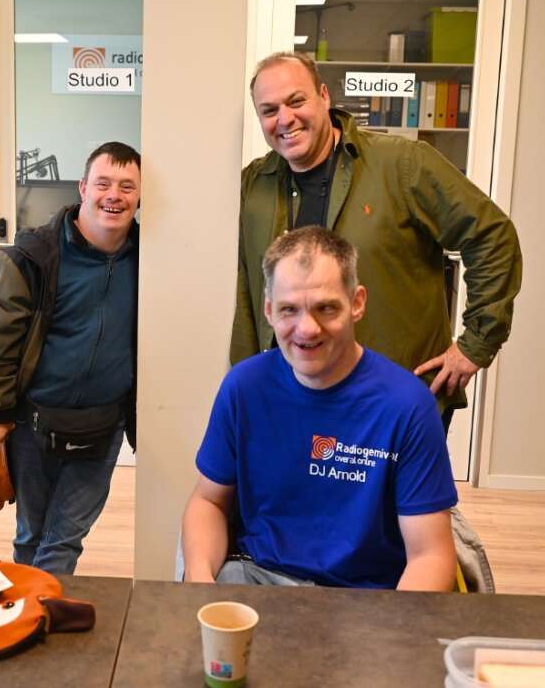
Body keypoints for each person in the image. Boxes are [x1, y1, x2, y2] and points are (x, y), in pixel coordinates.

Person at [231, 51, 522, 429]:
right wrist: (247, 388)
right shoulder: (254, 184)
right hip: (295, 400)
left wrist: (474, 346)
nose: (285, 119)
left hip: (394, 406)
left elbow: (492, 236)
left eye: (296, 101)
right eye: (269, 110)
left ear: (324, 96)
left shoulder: (402, 163)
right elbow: (248, 293)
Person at [183, 227, 458, 590]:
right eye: (289, 310)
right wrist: (200, 583)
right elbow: (209, 501)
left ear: (357, 303)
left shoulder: (407, 406)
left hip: (364, 595)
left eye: (326, 308)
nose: (307, 329)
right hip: (259, 578)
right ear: (269, 310)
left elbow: (430, 555)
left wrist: (394, 627)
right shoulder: (244, 388)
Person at [0, 142, 140, 575]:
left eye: (127, 187)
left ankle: (37, 606)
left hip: (104, 424)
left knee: (62, 540)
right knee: (30, 535)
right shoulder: (34, 255)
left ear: (140, 197)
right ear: (83, 188)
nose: (114, 195)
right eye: (103, 183)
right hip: (33, 422)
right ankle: (32, 604)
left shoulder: (151, 258)